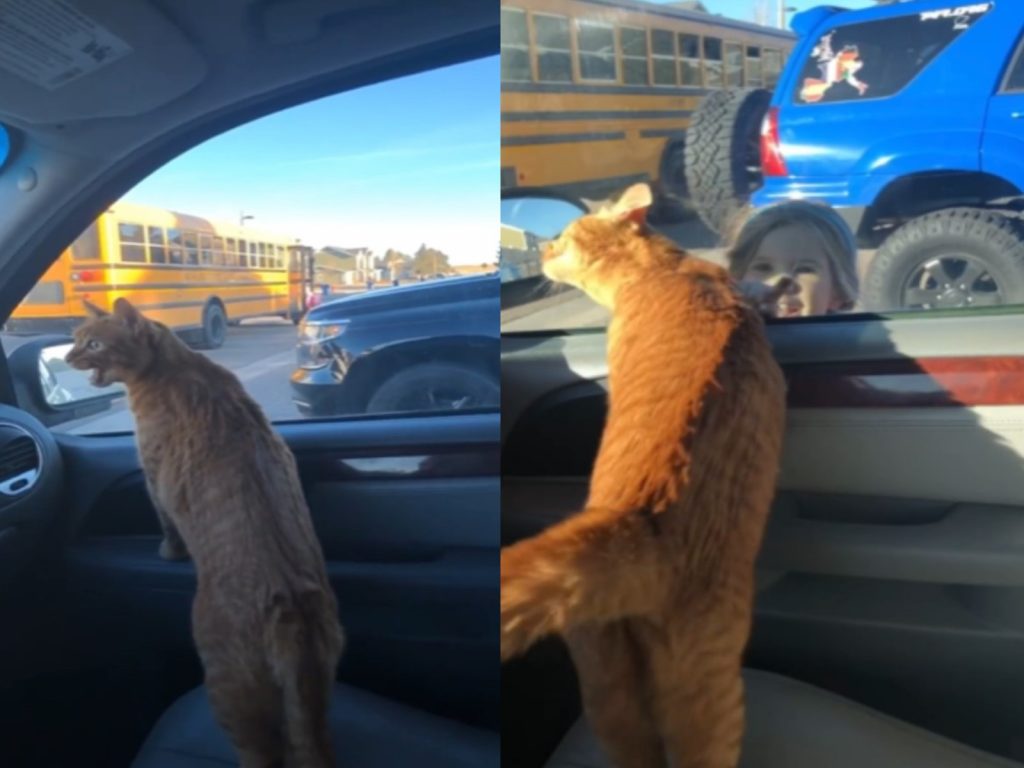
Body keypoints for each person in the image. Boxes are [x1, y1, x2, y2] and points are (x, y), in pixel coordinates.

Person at [724, 200, 859, 317]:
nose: (779, 282)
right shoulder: (720, 339)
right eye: (763, 267)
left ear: (838, 291)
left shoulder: (851, 344)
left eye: (804, 269)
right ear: (737, 279)